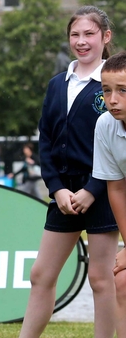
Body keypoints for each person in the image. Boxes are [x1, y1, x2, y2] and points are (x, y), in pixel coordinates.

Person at [19, 6, 119, 338]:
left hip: (104, 192)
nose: (81, 41)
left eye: (89, 34)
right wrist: (57, 188)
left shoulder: (113, 86)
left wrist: (92, 189)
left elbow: (115, 152)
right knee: (41, 274)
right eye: (75, 34)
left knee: (102, 279)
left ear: (105, 37)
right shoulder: (57, 84)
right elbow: (45, 140)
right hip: (64, 196)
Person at [93, 51, 126, 338]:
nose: (112, 99)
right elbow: (116, 187)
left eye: (122, 91)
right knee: (123, 282)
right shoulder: (104, 124)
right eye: (106, 90)